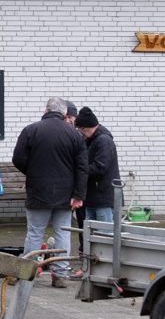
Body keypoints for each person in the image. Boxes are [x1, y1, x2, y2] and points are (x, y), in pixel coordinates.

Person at [12, 97, 88, 287]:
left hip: (38, 191)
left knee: (35, 233)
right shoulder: (74, 135)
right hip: (65, 193)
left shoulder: (31, 130)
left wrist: (32, 172)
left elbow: (18, 159)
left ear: (46, 110)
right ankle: (60, 274)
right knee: (62, 233)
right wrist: (78, 195)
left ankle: (28, 271)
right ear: (64, 114)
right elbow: (82, 167)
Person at [76, 106, 120, 224]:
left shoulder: (103, 140)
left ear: (84, 128)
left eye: (80, 130)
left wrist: (79, 170)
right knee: (93, 235)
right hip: (95, 197)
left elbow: (100, 168)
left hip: (102, 198)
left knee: (104, 234)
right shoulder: (94, 140)